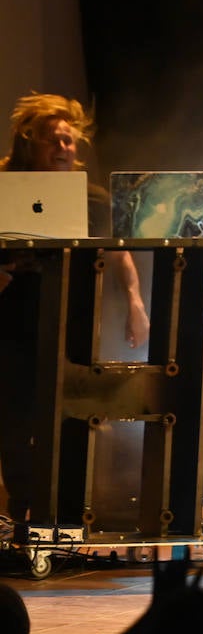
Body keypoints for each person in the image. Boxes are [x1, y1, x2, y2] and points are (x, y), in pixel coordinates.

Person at [0, 94, 150, 548]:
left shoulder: (92, 196)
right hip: (13, 318)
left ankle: (66, 516)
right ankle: (22, 514)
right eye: (53, 139)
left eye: (69, 139)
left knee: (72, 415)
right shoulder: (4, 184)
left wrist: (134, 300)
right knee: (14, 419)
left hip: (73, 317)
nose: (64, 147)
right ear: (29, 143)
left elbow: (117, 248)